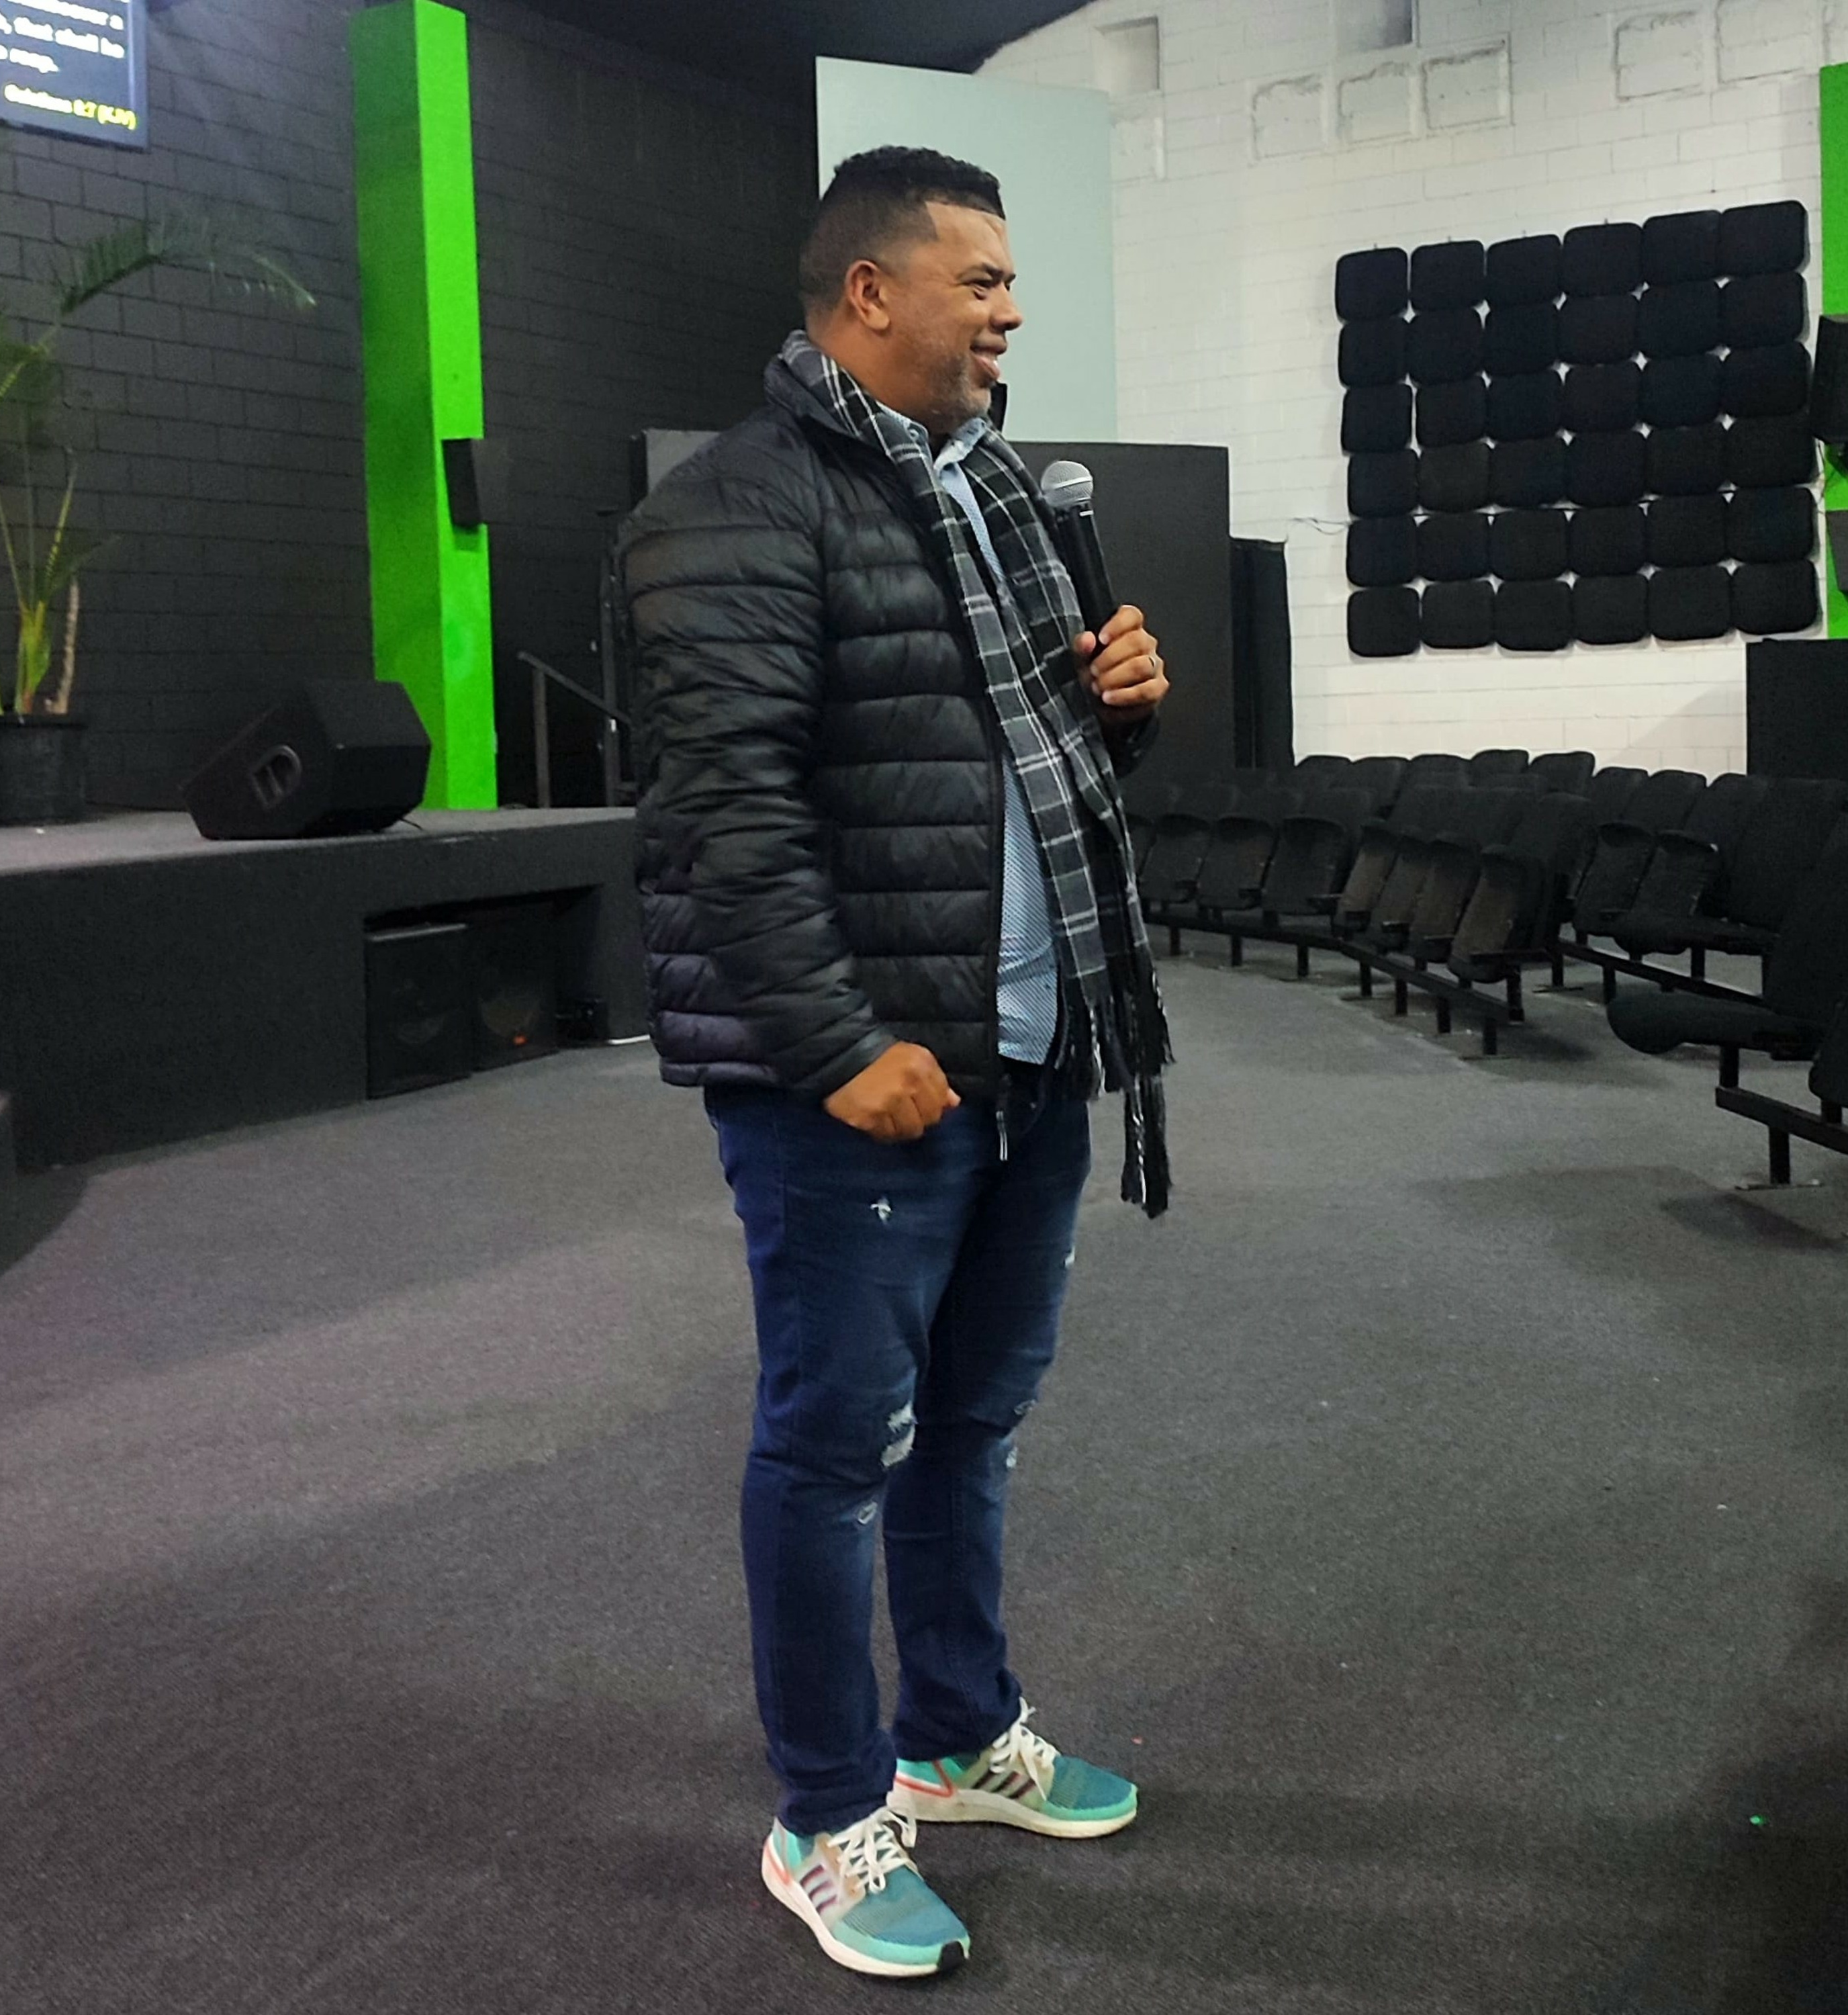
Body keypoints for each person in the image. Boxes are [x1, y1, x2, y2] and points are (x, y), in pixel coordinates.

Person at [613, 146, 1172, 1981]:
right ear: (870, 292)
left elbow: (1003, 778)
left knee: (975, 1424)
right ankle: (826, 1817)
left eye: (1010, 283)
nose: (1012, 311)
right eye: (981, 280)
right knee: (836, 1445)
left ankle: (955, 1733)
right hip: (858, 1080)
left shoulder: (999, 491)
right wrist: (838, 1044)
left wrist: (1118, 714)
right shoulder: (732, 509)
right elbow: (724, 813)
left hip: (1028, 1050)